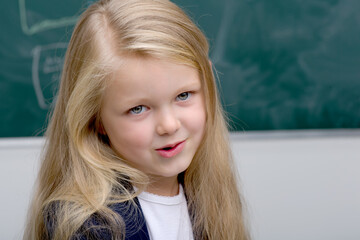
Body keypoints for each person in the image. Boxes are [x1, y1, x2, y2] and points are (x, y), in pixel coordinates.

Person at [24, 0, 249, 239]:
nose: (169, 125)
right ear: (96, 120)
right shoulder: (87, 226)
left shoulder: (210, 198)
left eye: (183, 95)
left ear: (207, 84)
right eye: (138, 109)